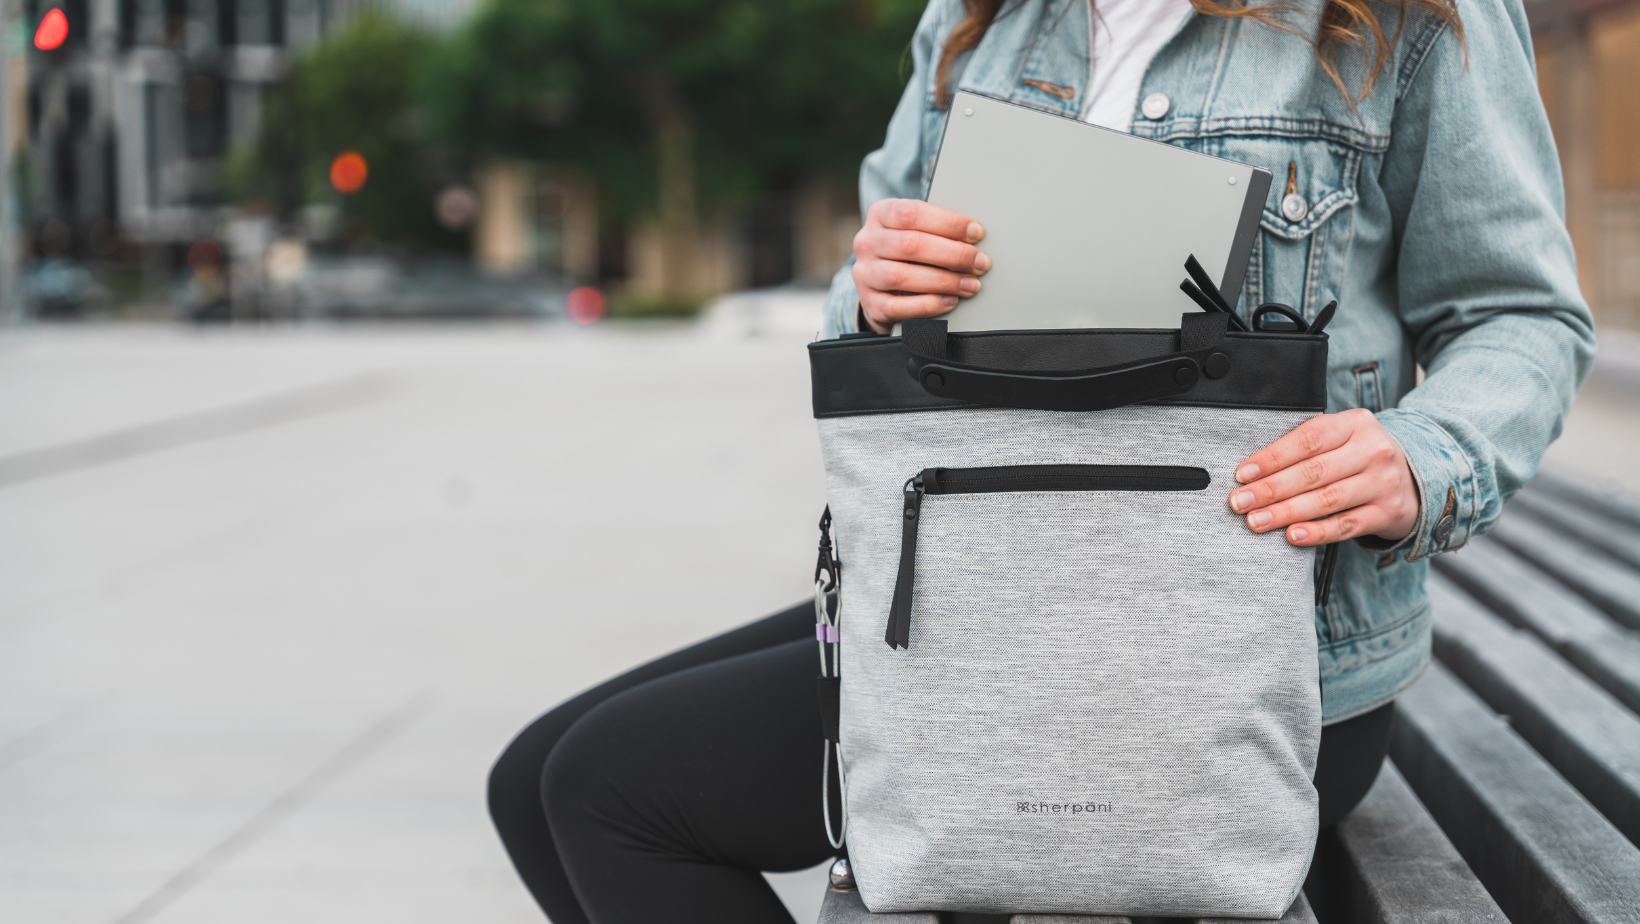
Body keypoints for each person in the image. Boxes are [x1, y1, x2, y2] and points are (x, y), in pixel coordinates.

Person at [488, 1, 1595, 921]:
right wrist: (873, 288)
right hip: (983, 601)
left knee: (606, 789)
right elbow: (867, 295)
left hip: (1242, 659)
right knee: (530, 775)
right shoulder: (983, 18)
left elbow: (1521, 314)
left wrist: (1419, 457)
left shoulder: (1403, 17)